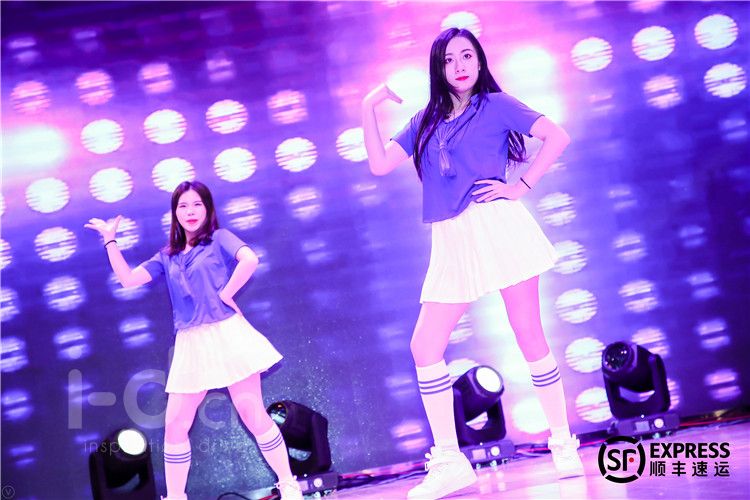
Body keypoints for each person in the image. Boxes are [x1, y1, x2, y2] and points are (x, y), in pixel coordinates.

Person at [361, 28, 583, 500]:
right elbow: (379, 165)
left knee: (528, 334)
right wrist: (368, 107)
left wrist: (520, 187)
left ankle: (563, 441)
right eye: (449, 59)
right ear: (438, 69)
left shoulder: (496, 105)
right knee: (424, 346)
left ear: (480, 61)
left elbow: (557, 136)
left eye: (467, 56)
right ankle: (450, 462)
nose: (460, 65)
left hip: (497, 223)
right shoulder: (425, 120)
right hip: (451, 237)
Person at [85, 181, 303, 500]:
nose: (190, 211)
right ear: (175, 212)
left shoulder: (219, 238)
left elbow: (250, 259)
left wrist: (227, 293)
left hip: (226, 333)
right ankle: (176, 497)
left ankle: (288, 484)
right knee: (175, 424)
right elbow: (128, 280)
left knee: (252, 413)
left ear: (207, 208)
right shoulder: (168, 255)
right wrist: (110, 240)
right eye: (183, 206)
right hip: (190, 341)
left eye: (197, 204)